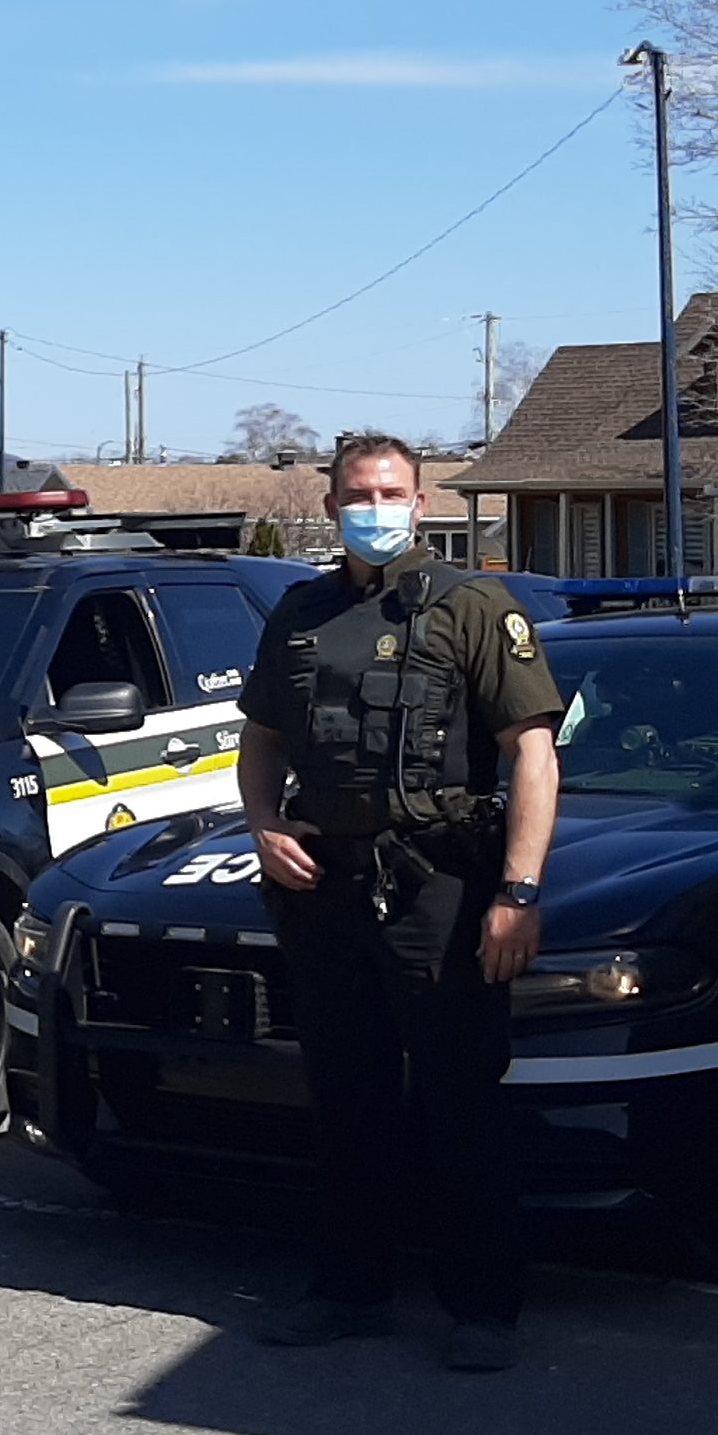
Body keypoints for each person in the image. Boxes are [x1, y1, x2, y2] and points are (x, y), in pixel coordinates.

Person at [234, 434, 562, 1372]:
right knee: (346, 1098)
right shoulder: (300, 611)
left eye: (391, 493)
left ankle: (482, 1308)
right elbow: (260, 740)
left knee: (462, 1100)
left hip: (439, 885)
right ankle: (349, 1290)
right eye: (357, 494)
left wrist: (519, 891)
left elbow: (533, 754)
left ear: (420, 504)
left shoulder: (473, 607)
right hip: (324, 885)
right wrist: (264, 825)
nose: (373, 508)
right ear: (330, 504)